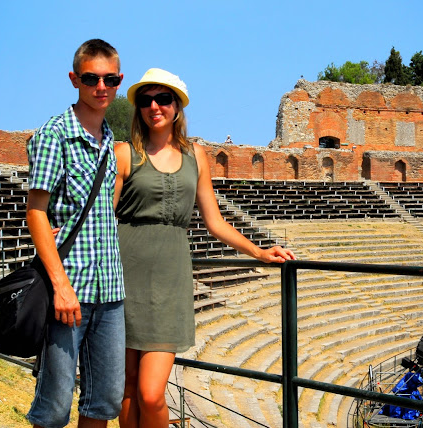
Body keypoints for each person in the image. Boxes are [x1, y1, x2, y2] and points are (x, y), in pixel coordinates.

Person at [115, 68, 296, 428]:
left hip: (170, 280)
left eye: (163, 98)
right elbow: (103, 215)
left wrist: (259, 252)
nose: (154, 106)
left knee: (151, 394)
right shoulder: (124, 153)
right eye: (146, 100)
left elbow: (215, 221)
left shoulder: (195, 155)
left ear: (177, 106)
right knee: (128, 387)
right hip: (123, 274)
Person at [26, 39, 125, 428]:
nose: (101, 87)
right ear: (74, 79)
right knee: (54, 405)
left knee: (105, 401)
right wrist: (61, 285)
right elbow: (36, 210)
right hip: (69, 290)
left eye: (110, 79)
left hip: (110, 290)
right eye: (91, 78)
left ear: (119, 81)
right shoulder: (55, 134)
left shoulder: (109, 138)